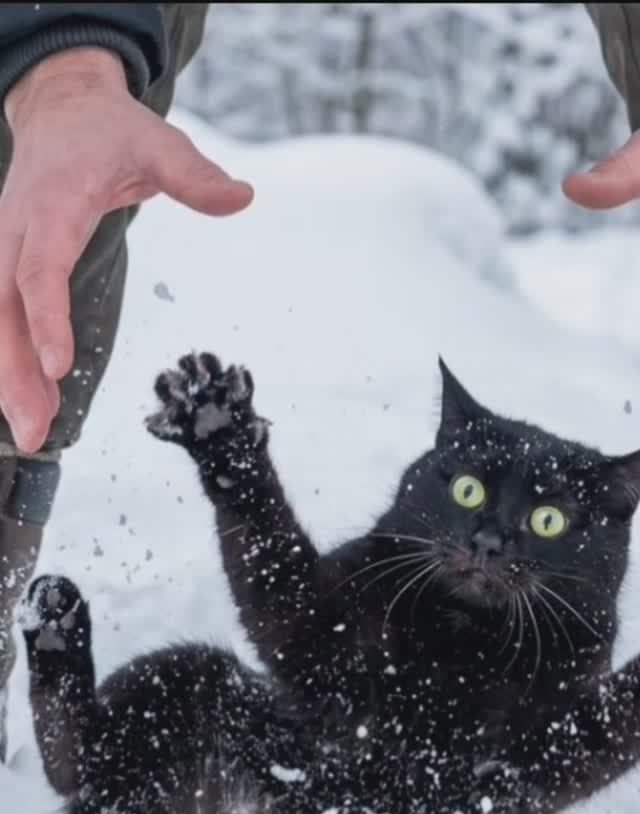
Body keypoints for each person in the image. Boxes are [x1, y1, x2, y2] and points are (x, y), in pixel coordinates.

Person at [0, 3, 635, 762]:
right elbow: (298, 623)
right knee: (198, 685)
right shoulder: (393, 574)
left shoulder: (559, 661)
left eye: (548, 522)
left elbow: (592, 741)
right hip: (242, 806)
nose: (491, 541)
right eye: (467, 492)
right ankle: (78, 748)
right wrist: (65, 67)